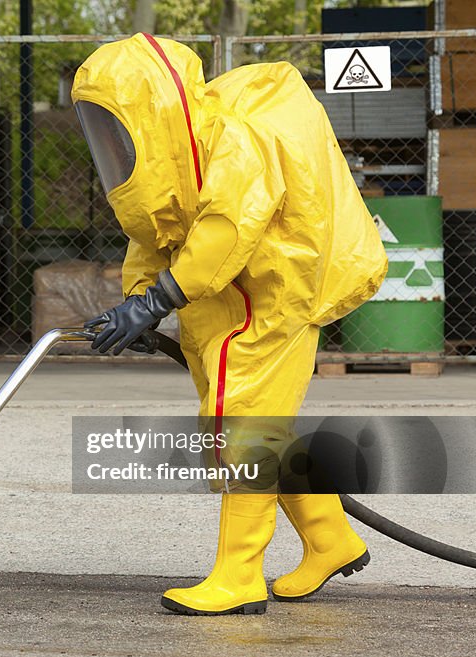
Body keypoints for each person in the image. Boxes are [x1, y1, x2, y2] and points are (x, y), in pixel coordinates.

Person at [72, 34, 388, 615]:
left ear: (153, 111)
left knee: (239, 430)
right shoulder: (172, 158)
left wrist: (155, 301)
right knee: (250, 428)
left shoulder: (232, 140)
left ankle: (239, 575)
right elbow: (155, 236)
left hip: (278, 294)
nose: (113, 141)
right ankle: (330, 538)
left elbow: (227, 227)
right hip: (226, 298)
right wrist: (139, 299)